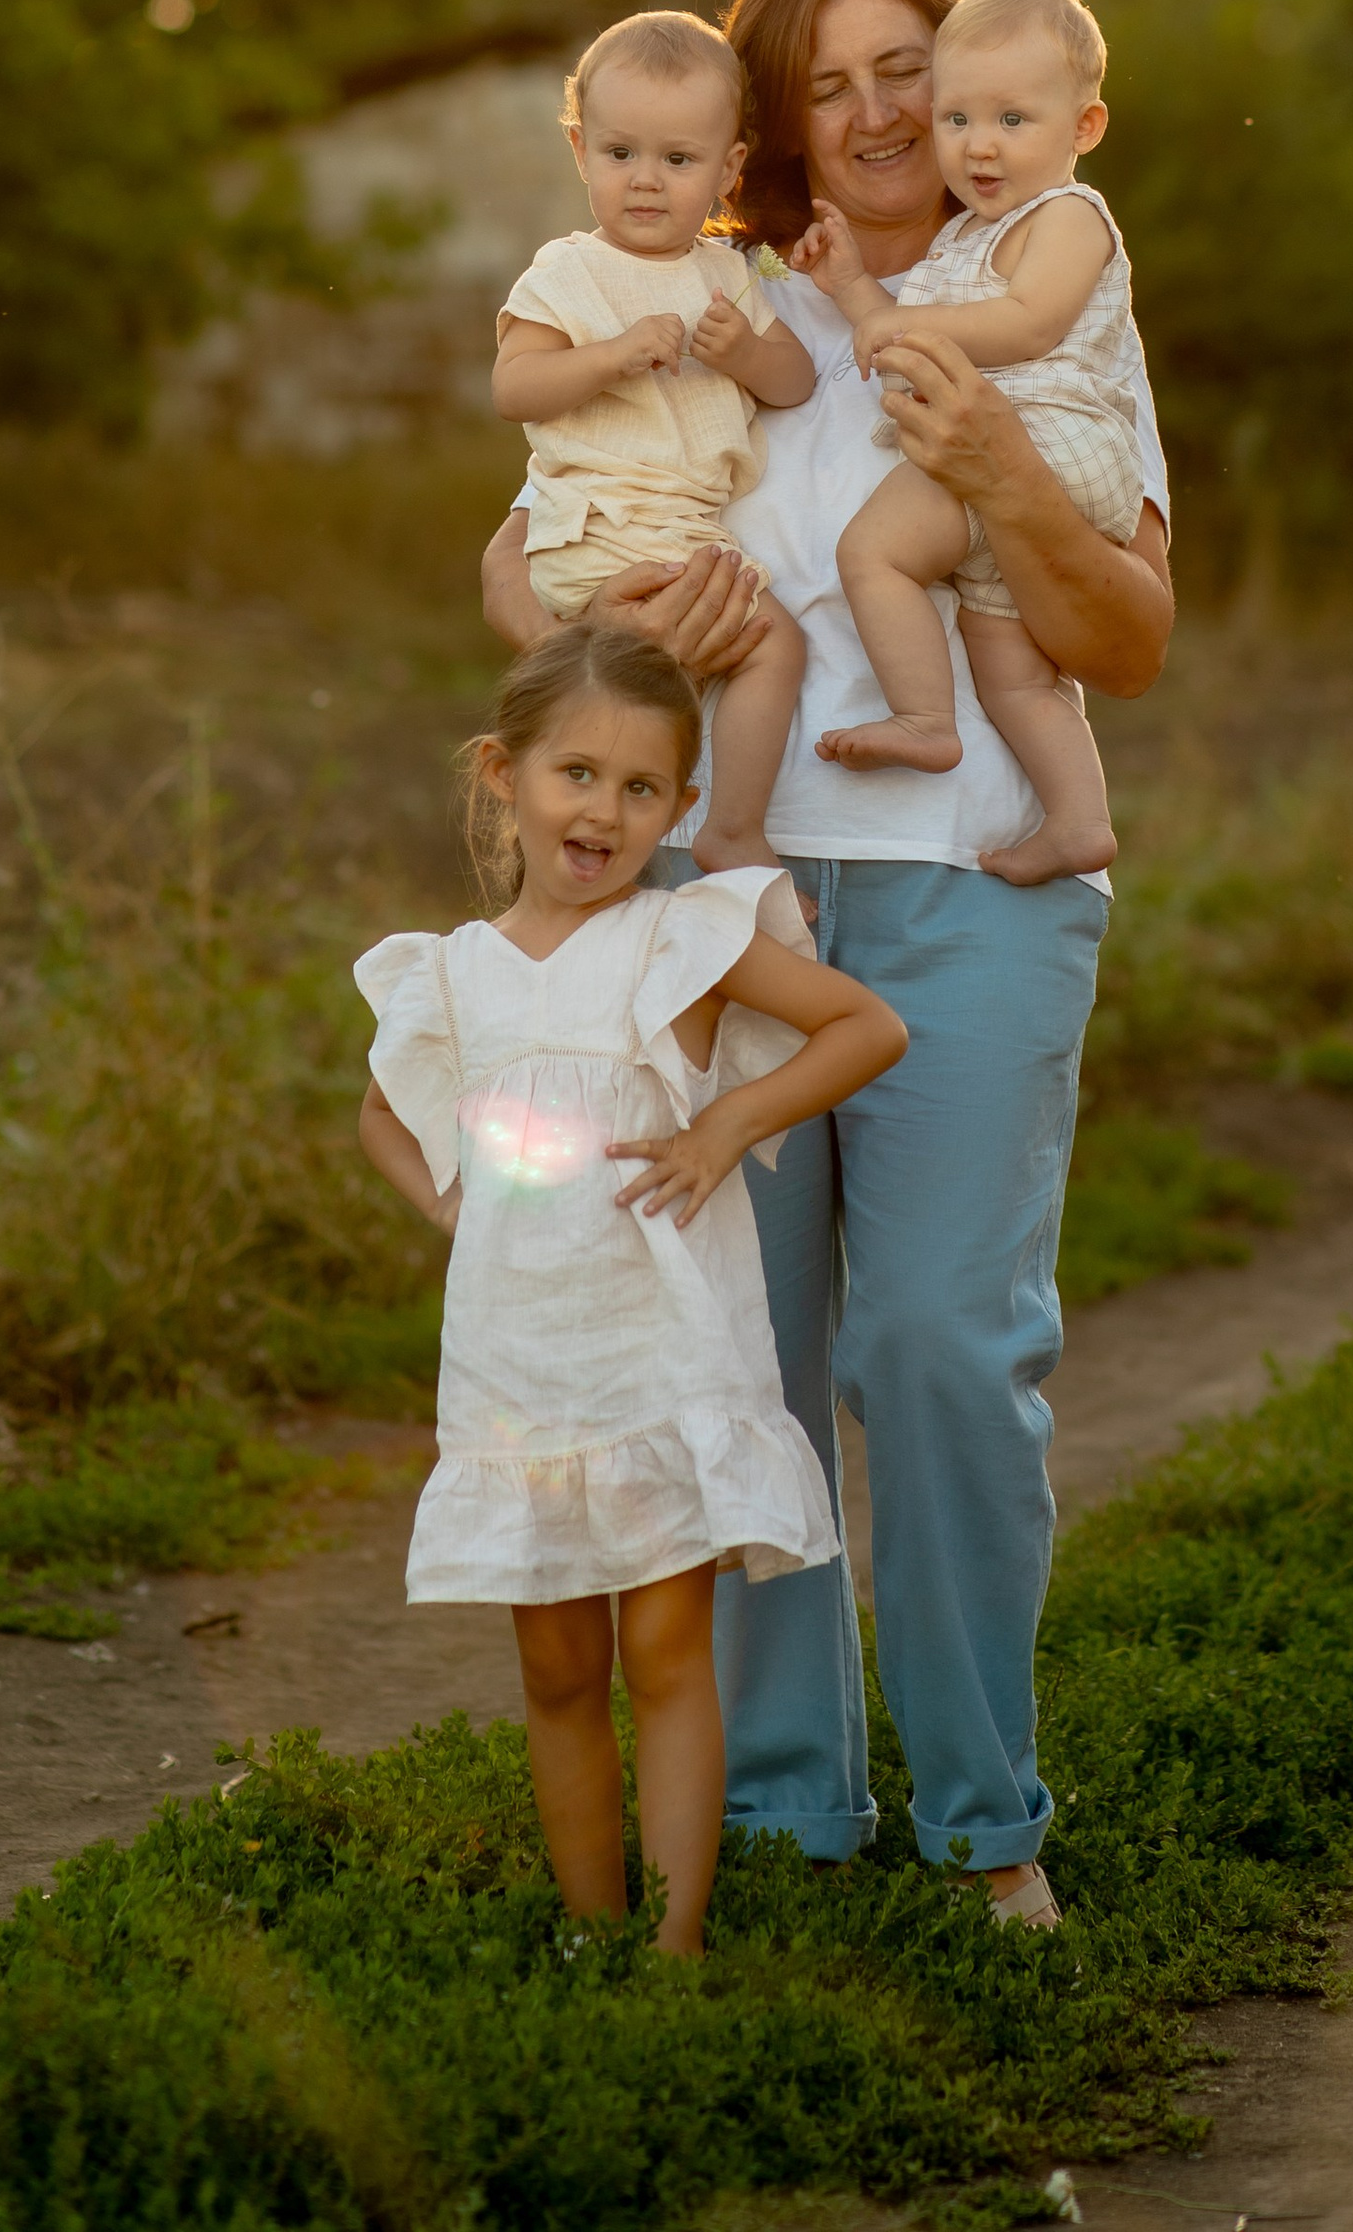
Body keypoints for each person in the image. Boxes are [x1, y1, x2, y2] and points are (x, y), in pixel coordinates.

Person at [482, 0, 1172, 1931]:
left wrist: (1001, 482)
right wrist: (620, 621)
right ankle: (787, 1812)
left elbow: (1123, 637)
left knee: (945, 1349)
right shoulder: (707, 302)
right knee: (743, 1361)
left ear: (983, 98)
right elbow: (516, 574)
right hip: (718, 903)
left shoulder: (1038, 290)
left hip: (973, 894)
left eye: (916, 71)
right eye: (836, 81)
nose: (882, 113)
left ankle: (983, 1823)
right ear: (777, 116)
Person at [354, 619, 907, 1958]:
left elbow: (865, 1026)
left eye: (643, 787)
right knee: (555, 1668)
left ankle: (673, 1947)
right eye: (577, 775)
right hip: (520, 1369)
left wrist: (726, 1127)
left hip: (659, 1358)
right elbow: (384, 1111)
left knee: (666, 1656)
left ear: (680, 805)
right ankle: (591, 1933)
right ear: (505, 775)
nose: (605, 810)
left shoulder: (682, 940)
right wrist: (456, 1200)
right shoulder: (454, 971)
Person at [797, 0, 1139, 884]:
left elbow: (1027, 325)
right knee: (1016, 673)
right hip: (1016, 480)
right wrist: (852, 292)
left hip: (1046, 447)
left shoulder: (1069, 216)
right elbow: (903, 316)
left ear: (1085, 128)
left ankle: (924, 721)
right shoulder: (968, 240)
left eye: (1012, 122)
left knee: (874, 551)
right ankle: (1078, 821)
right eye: (959, 121)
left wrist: (899, 326)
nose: (979, 148)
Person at [491, 9, 816, 875]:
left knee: (767, 647)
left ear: (728, 169)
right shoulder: (567, 271)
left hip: (686, 534)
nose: (646, 181)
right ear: (579, 150)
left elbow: (797, 382)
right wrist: (608, 356)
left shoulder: (727, 276)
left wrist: (743, 352)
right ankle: (646, 844)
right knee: (671, 681)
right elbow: (513, 386)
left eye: (678, 160)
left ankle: (721, 826)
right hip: (602, 530)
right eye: (619, 153)